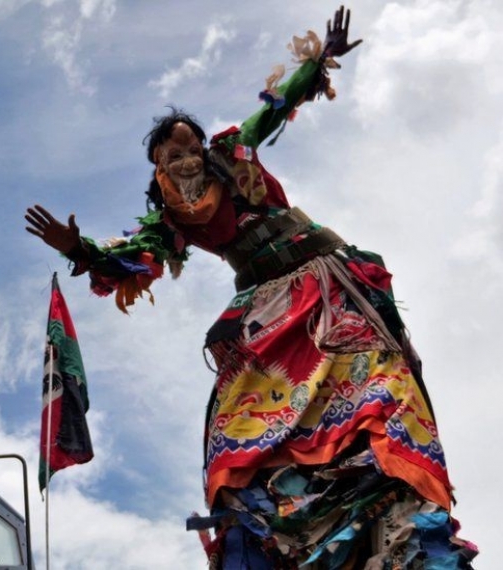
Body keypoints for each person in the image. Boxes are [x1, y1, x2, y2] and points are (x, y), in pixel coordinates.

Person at [25, 6, 477, 568]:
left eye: (190, 146)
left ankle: (390, 495)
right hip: (266, 308)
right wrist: (77, 249)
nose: (187, 158)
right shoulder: (169, 222)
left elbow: (279, 104)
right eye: (173, 154)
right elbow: (130, 261)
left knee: (378, 386)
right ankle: (266, 512)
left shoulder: (234, 148)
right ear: (159, 169)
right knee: (238, 421)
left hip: (326, 285)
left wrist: (320, 62)